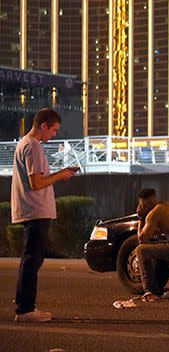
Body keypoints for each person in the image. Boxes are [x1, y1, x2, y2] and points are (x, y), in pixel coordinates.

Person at [12, 108, 78, 322]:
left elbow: (36, 179)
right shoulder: (33, 147)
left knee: (31, 259)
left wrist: (59, 174)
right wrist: (60, 175)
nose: (55, 134)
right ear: (44, 126)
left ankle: (26, 307)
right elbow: (37, 183)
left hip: (31, 209)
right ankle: (25, 310)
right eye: (54, 130)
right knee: (32, 260)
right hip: (35, 209)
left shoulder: (25, 144)